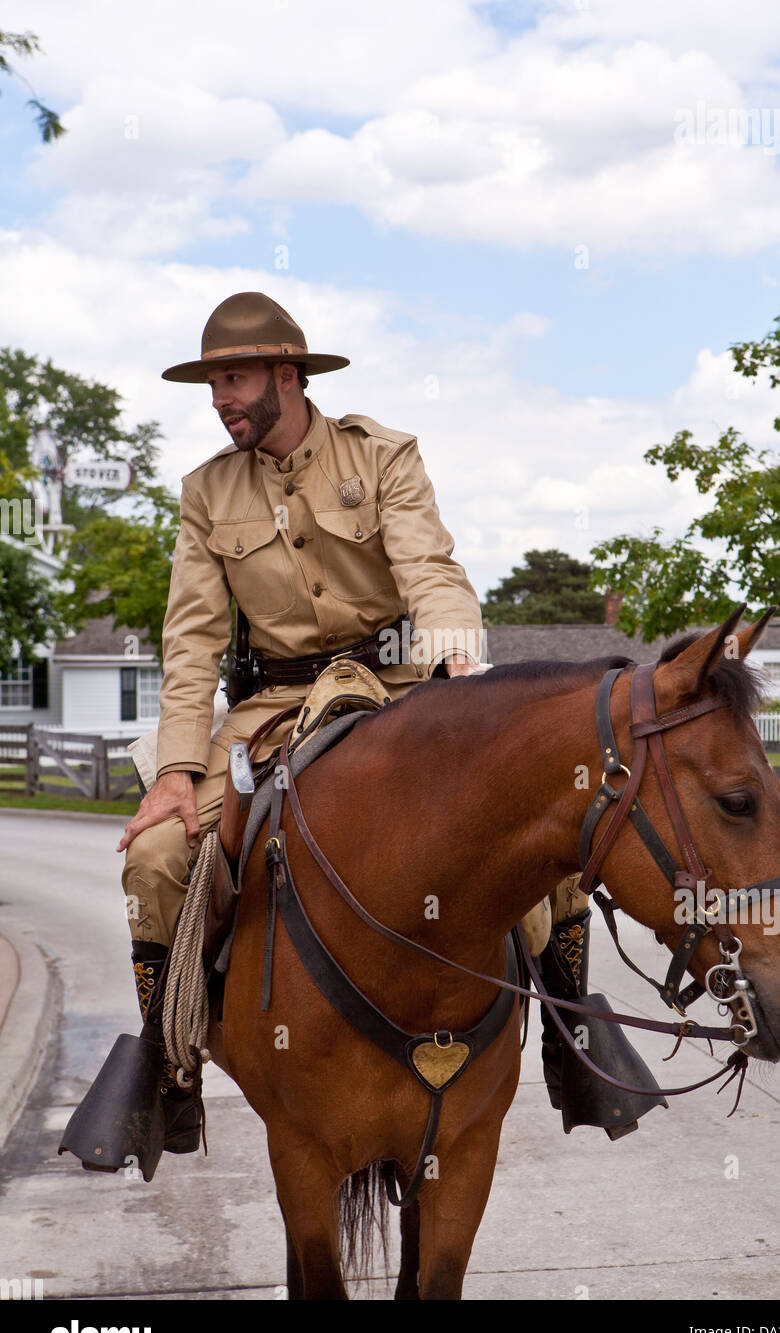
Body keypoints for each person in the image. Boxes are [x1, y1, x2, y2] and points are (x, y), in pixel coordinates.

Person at [116, 290, 495, 1155]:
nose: (220, 398)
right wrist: (176, 770)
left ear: (287, 376)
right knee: (156, 855)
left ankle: (578, 1044)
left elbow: (430, 567)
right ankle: (170, 1064)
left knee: (530, 823)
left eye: (235, 378)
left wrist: (458, 666)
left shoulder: (384, 455)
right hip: (273, 708)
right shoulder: (208, 492)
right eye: (213, 382)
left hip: (402, 686)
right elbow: (193, 641)